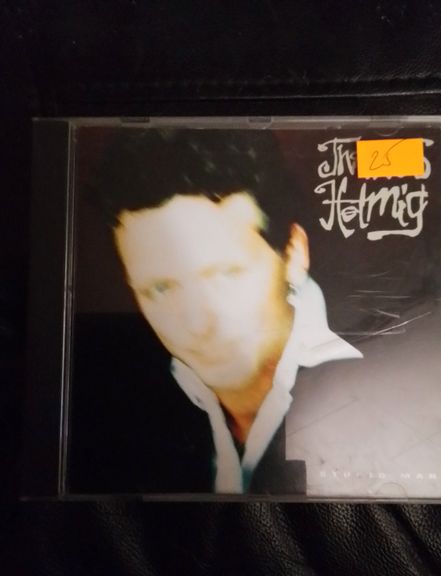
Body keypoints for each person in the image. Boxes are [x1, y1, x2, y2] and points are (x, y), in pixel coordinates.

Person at [79, 127, 362, 495]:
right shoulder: (104, 410)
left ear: (294, 254)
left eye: (227, 274)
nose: (198, 324)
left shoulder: (384, 386)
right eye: (160, 288)